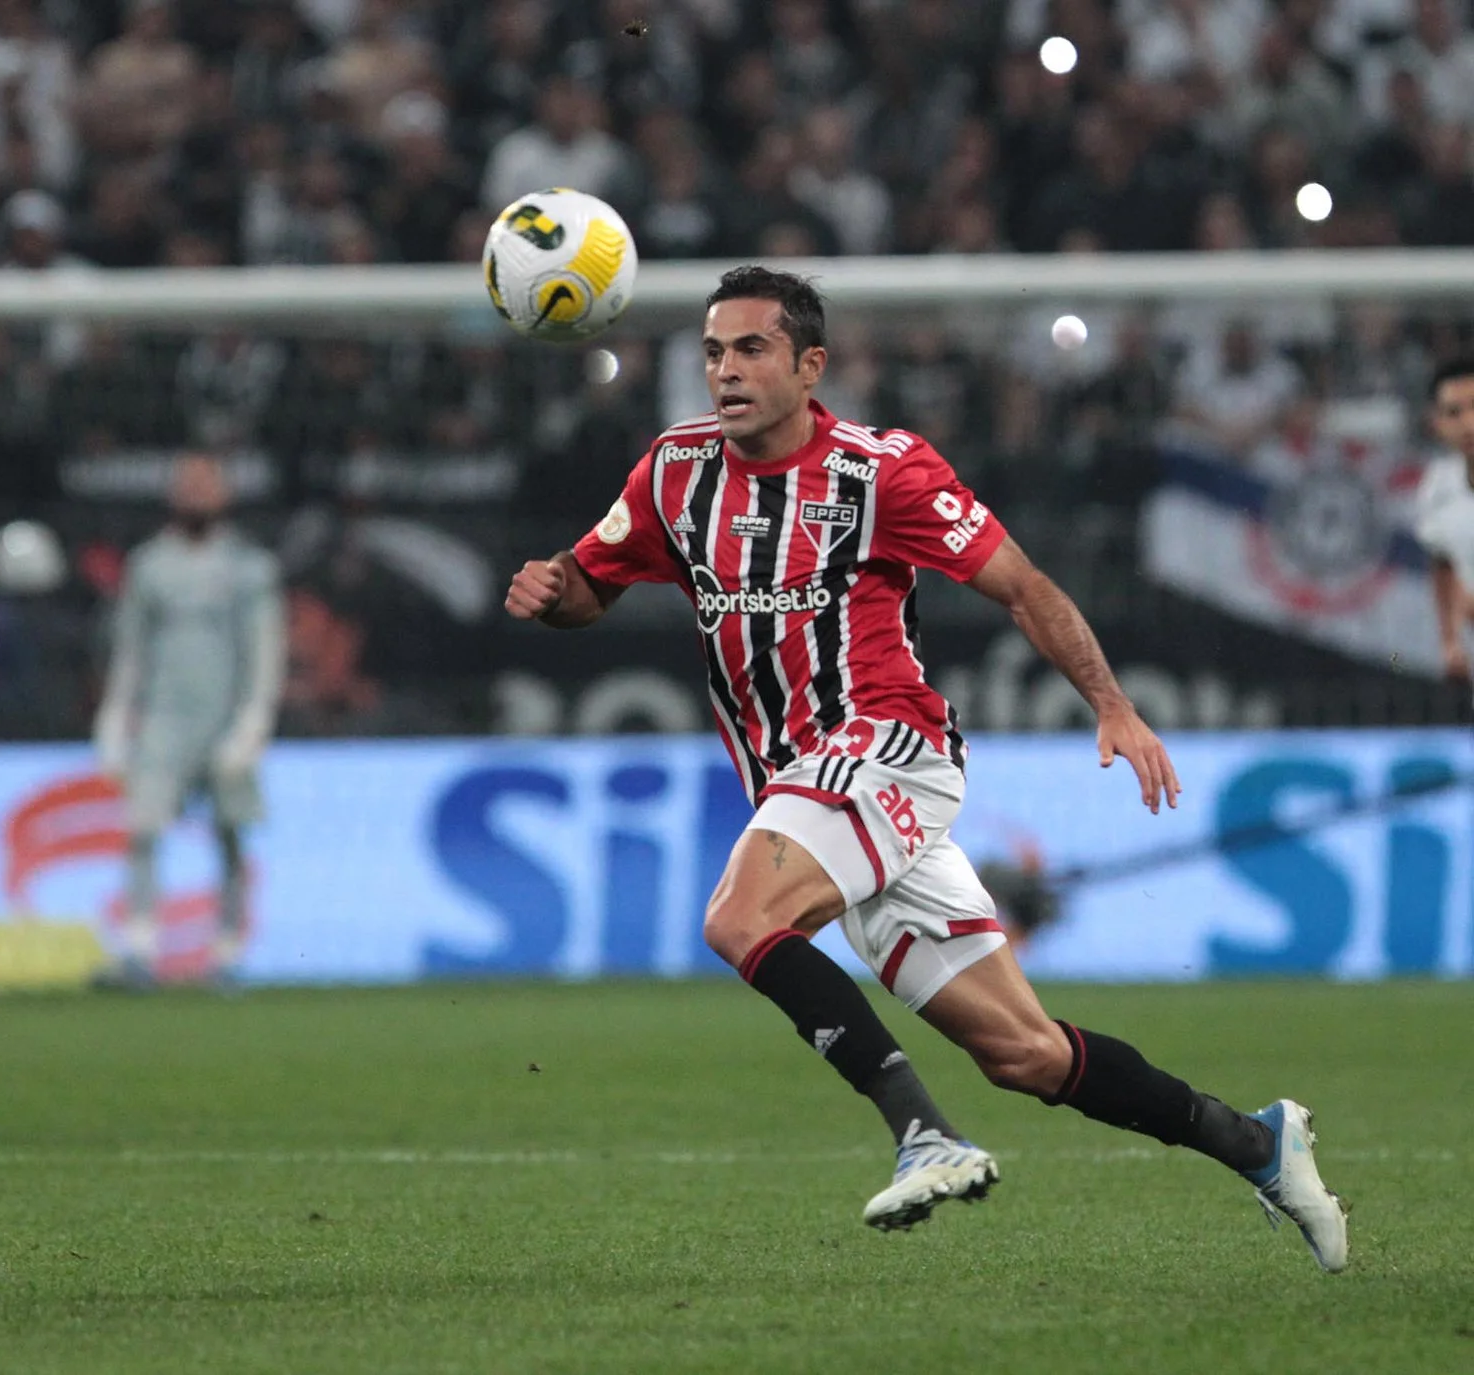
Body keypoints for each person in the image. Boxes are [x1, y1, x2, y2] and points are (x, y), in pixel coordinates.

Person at [503, 266, 1347, 1269]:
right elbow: (589, 588)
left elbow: (1022, 586)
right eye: (712, 352)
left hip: (885, 747)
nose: (724, 371)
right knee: (1021, 1052)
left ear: (809, 366)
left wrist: (1111, 704)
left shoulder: (880, 471)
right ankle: (1254, 1143)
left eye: (750, 349)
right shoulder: (672, 471)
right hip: (802, 783)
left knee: (738, 918)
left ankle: (921, 1132)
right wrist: (552, 593)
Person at [91, 456, 283, 984]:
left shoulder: (249, 566)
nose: (197, 495)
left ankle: (227, 951)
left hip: (224, 718)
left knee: (230, 834)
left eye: (207, 485)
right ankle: (139, 947)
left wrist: (254, 723)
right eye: (188, 485)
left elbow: (264, 651)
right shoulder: (149, 565)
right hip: (163, 718)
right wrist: (115, 717)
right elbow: (130, 649)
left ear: (225, 495)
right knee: (143, 828)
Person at [1415, 356, 1474, 683]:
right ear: (1436, 423)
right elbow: (1443, 564)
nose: (1469, 423)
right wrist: (1449, 641)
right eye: (1454, 413)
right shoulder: (1438, 487)